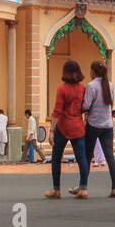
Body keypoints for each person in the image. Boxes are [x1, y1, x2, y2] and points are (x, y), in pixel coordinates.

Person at [45, 59, 90, 199]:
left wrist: (51, 131)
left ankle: (56, 189)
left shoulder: (62, 89)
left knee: (56, 158)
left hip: (63, 127)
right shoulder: (82, 88)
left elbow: (57, 111)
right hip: (78, 127)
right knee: (82, 158)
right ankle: (83, 188)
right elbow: (85, 107)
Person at [81, 59, 115, 198]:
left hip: (93, 125)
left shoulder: (91, 86)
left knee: (87, 156)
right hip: (107, 125)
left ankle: (83, 186)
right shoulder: (110, 85)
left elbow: (86, 105)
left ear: (93, 71)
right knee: (110, 157)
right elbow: (111, 103)